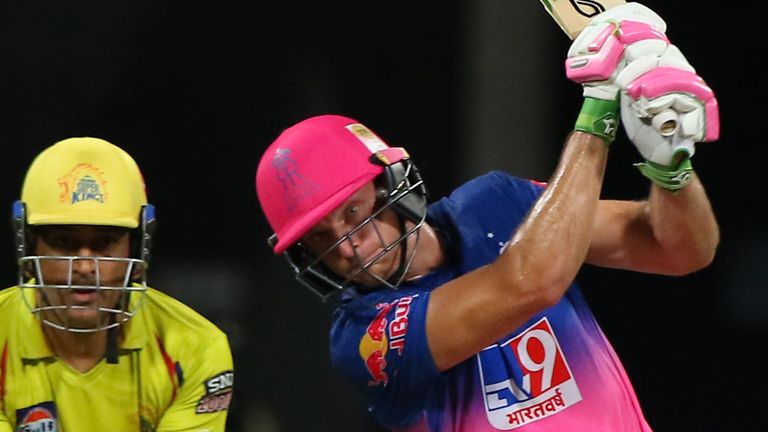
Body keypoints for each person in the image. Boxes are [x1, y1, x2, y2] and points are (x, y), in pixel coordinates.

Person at [255, 3, 719, 431]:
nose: (347, 244)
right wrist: (598, 110)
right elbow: (530, 283)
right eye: (319, 238)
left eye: (351, 211)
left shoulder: (495, 203)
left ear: (390, 183)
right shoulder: (363, 338)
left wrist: (669, 168)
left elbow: (681, 251)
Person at [0, 137, 234, 431]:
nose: (84, 267)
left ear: (137, 249)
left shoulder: (194, 348)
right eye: (63, 242)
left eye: (105, 243)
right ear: (30, 247)